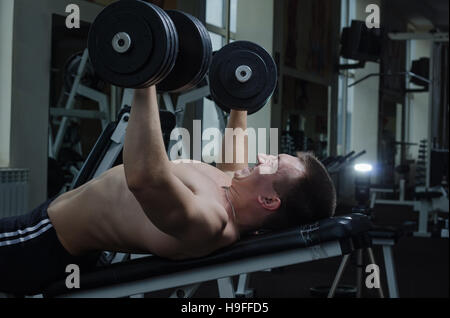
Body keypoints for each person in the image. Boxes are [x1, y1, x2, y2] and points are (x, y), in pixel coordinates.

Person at [0, 86, 336, 295]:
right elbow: (232, 162)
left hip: (40, 243)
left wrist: (144, 79)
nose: (262, 156)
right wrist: (240, 97)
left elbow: (146, 179)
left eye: (272, 162)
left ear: (269, 200)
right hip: (62, 243)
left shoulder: (211, 220)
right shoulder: (231, 191)